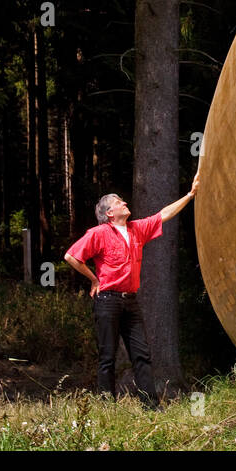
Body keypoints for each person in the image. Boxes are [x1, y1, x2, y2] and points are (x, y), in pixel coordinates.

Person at [63, 170, 199, 404]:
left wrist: (190, 194)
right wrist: (94, 279)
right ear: (109, 213)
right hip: (107, 300)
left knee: (142, 355)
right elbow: (71, 256)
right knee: (107, 356)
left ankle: (151, 406)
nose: (124, 203)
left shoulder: (137, 229)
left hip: (131, 301)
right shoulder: (98, 233)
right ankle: (107, 406)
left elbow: (164, 214)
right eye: (119, 202)